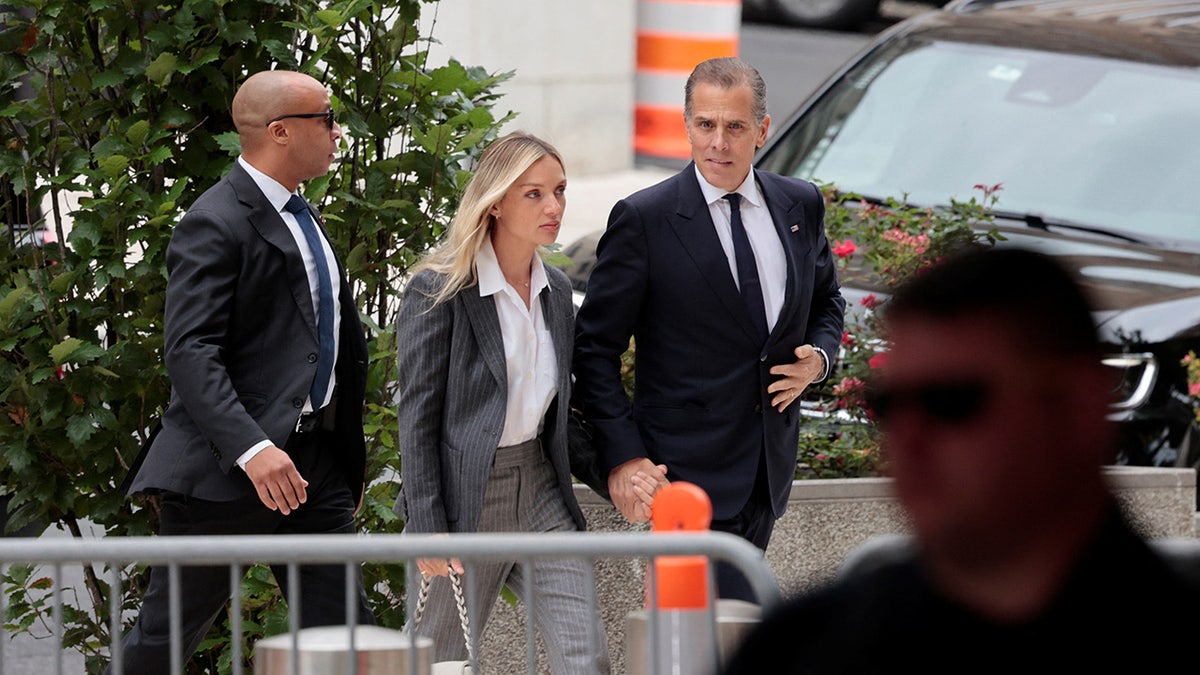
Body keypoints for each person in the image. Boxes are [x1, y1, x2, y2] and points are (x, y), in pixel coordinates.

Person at [722, 246, 1200, 673]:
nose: (910, 439)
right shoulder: (804, 648)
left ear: (1078, 407)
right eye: (890, 406)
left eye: (951, 402)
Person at [111, 70, 373, 673]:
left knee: (348, 640)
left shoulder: (301, 214)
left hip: (312, 469)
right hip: (226, 473)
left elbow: (324, 338)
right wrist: (253, 448)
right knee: (163, 643)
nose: (339, 132)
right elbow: (189, 350)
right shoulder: (216, 219)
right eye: (326, 119)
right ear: (280, 132)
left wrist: (339, 449)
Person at [572, 56, 846, 602]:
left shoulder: (800, 204)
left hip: (767, 474)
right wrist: (625, 457)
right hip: (681, 481)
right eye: (706, 124)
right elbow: (593, 349)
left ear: (762, 130)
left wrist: (818, 357)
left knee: (728, 635)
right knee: (694, 641)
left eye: (735, 126)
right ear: (688, 125)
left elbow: (827, 302)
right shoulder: (644, 220)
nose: (718, 141)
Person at [393, 131, 610, 673]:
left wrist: (618, 476)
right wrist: (428, 521)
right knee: (437, 662)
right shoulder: (438, 290)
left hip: (540, 489)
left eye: (559, 190)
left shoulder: (557, 292)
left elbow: (563, 413)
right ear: (495, 203)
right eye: (533, 193)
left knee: (586, 656)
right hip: (466, 492)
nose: (554, 206)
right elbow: (416, 415)